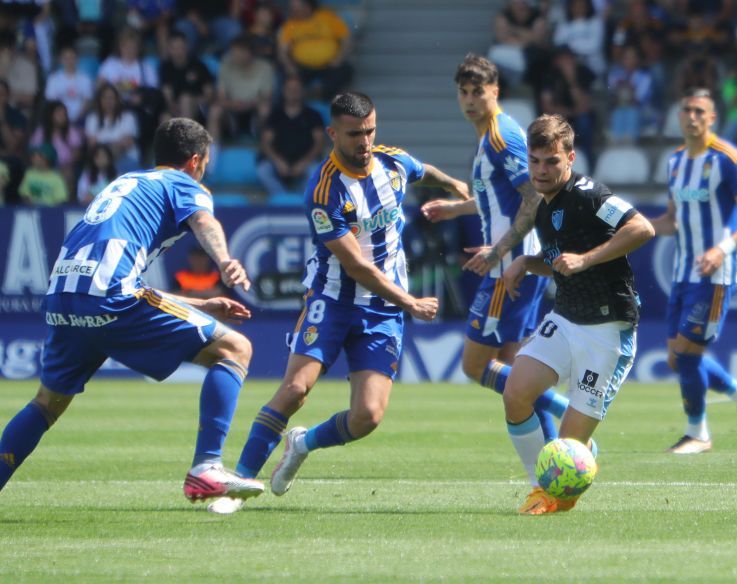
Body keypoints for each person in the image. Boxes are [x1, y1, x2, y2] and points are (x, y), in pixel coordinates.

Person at [207, 91, 468, 515]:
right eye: (353, 135)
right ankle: (236, 486)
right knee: (295, 389)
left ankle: (302, 444)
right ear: (332, 133)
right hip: (333, 300)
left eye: (370, 131)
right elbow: (357, 267)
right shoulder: (324, 191)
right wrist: (411, 303)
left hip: (381, 311)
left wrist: (453, 183)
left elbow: (424, 170)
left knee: (367, 416)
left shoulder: (392, 162)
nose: (364, 142)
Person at [0, 118, 264, 504]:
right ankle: (206, 467)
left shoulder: (125, 182)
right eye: (204, 164)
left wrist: (200, 304)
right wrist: (224, 260)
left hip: (63, 294)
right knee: (235, 349)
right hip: (109, 296)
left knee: (46, 404)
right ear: (194, 161)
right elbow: (204, 221)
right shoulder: (183, 184)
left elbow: (123, 282)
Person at [500, 114, 655, 515]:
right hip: (567, 319)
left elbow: (642, 229)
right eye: (535, 161)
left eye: (551, 161)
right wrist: (526, 263)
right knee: (516, 393)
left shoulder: (589, 196)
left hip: (608, 328)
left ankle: (564, 482)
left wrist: (587, 259)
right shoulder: (540, 205)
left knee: (568, 464)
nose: (542, 170)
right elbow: (559, 261)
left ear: (570, 157)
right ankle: (539, 488)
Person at [421, 54, 568, 444]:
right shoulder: (489, 135)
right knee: (513, 370)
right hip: (514, 264)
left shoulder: (502, 136)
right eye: (463, 92)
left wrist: (497, 250)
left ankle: (567, 412)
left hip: (508, 268)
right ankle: (557, 455)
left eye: (478, 92)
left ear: (495, 92)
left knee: (476, 365)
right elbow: (499, 199)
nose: (469, 100)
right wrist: (456, 208)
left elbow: (533, 198)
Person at [648, 88, 737, 455]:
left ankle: (698, 433)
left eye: (700, 111)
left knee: (686, 354)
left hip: (716, 274)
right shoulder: (674, 161)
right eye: (686, 110)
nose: (692, 116)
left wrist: (722, 248)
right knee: (678, 357)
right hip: (683, 271)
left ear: (712, 118)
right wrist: (636, 229)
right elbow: (672, 219)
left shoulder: (727, 159)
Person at [256, 75, 325, 196]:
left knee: (315, 171)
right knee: (263, 170)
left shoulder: (314, 115)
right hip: (278, 162)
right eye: (289, 89)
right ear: (283, 91)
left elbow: (319, 144)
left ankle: (302, 200)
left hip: (305, 161)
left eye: (296, 89)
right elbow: (266, 143)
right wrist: (278, 161)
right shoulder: (274, 115)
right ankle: (282, 199)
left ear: (303, 91)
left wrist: (303, 162)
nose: (293, 92)